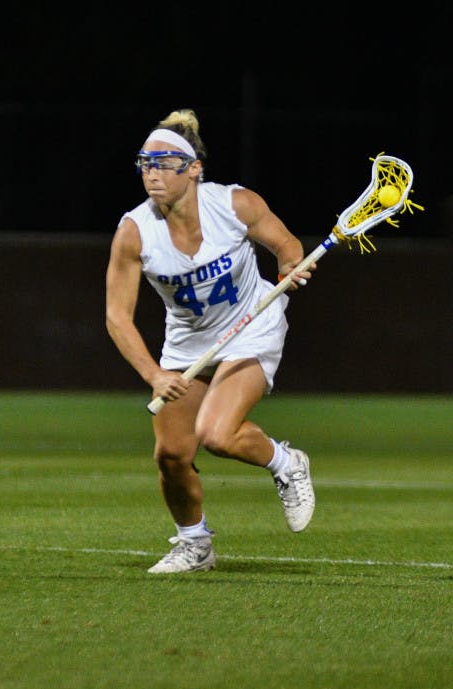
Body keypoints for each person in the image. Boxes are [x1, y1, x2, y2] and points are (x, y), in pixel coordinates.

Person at [105, 108, 316, 574]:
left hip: (251, 325)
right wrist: (154, 374)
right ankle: (195, 544)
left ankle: (286, 462)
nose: (152, 173)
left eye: (164, 164)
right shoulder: (134, 232)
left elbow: (287, 245)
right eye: (145, 163)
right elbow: (117, 317)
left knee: (217, 435)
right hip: (189, 343)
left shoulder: (235, 205)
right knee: (172, 454)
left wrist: (291, 269)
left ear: (194, 169)